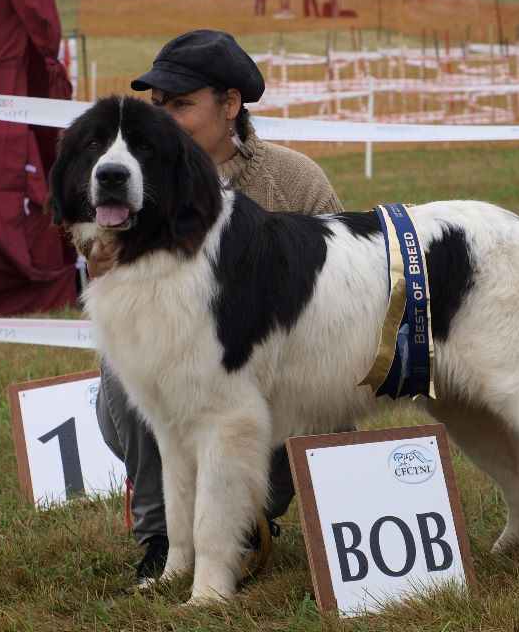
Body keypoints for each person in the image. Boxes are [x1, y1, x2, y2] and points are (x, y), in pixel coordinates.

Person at [88, 30, 343, 585]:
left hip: (277, 384)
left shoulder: (297, 180)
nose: (165, 118)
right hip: (174, 384)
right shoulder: (132, 179)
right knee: (127, 377)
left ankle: (249, 522)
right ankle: (161, 537)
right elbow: (96, 262)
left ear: (230, 105)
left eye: (181, 104)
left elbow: (344, 299)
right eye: (159, 106)